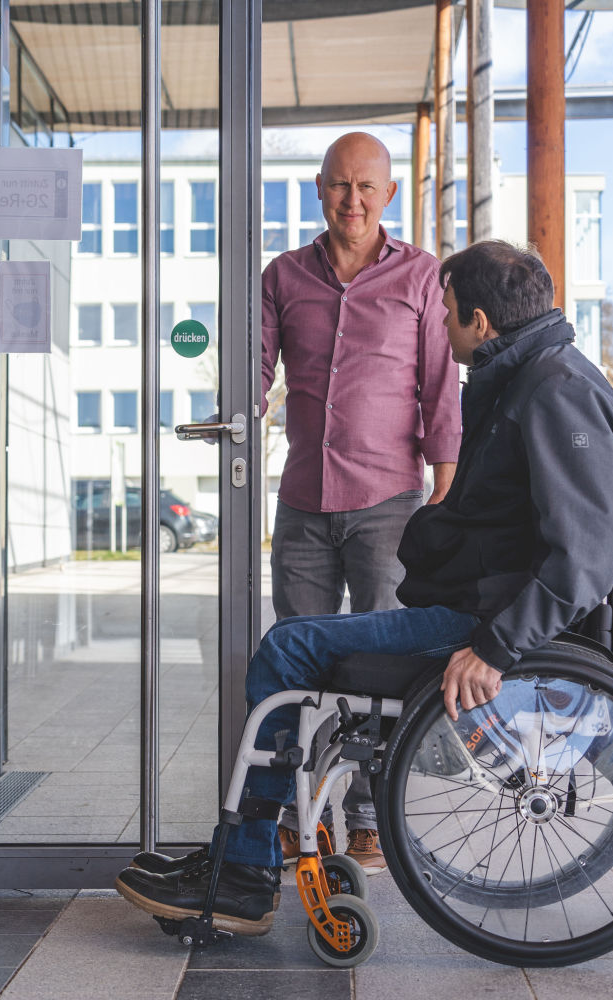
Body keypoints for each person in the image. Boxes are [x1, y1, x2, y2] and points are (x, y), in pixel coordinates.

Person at [115, 239, 613, 936]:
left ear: (480, 321)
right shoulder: (537, 376)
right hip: (472, 606)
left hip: (477, 623)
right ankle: (250, 855)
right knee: (296, 646)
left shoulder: (551, 390)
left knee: (285, 650)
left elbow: (594, 548)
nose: (443, 322)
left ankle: (244, 870)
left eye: (449, 311)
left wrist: (494, 648)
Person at [259, 132, 462, 873]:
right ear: (319, 189)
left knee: (382, 666)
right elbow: (254, 371)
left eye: (366, 188)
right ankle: (288, 813)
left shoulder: (421, 277)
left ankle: (371, 815)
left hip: (389, 502)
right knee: (297, 660)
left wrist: (443, 485)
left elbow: (441, 385)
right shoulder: (282, 276)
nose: (352, 200)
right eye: (340, 186)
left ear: (389, 196)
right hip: (304, 500)